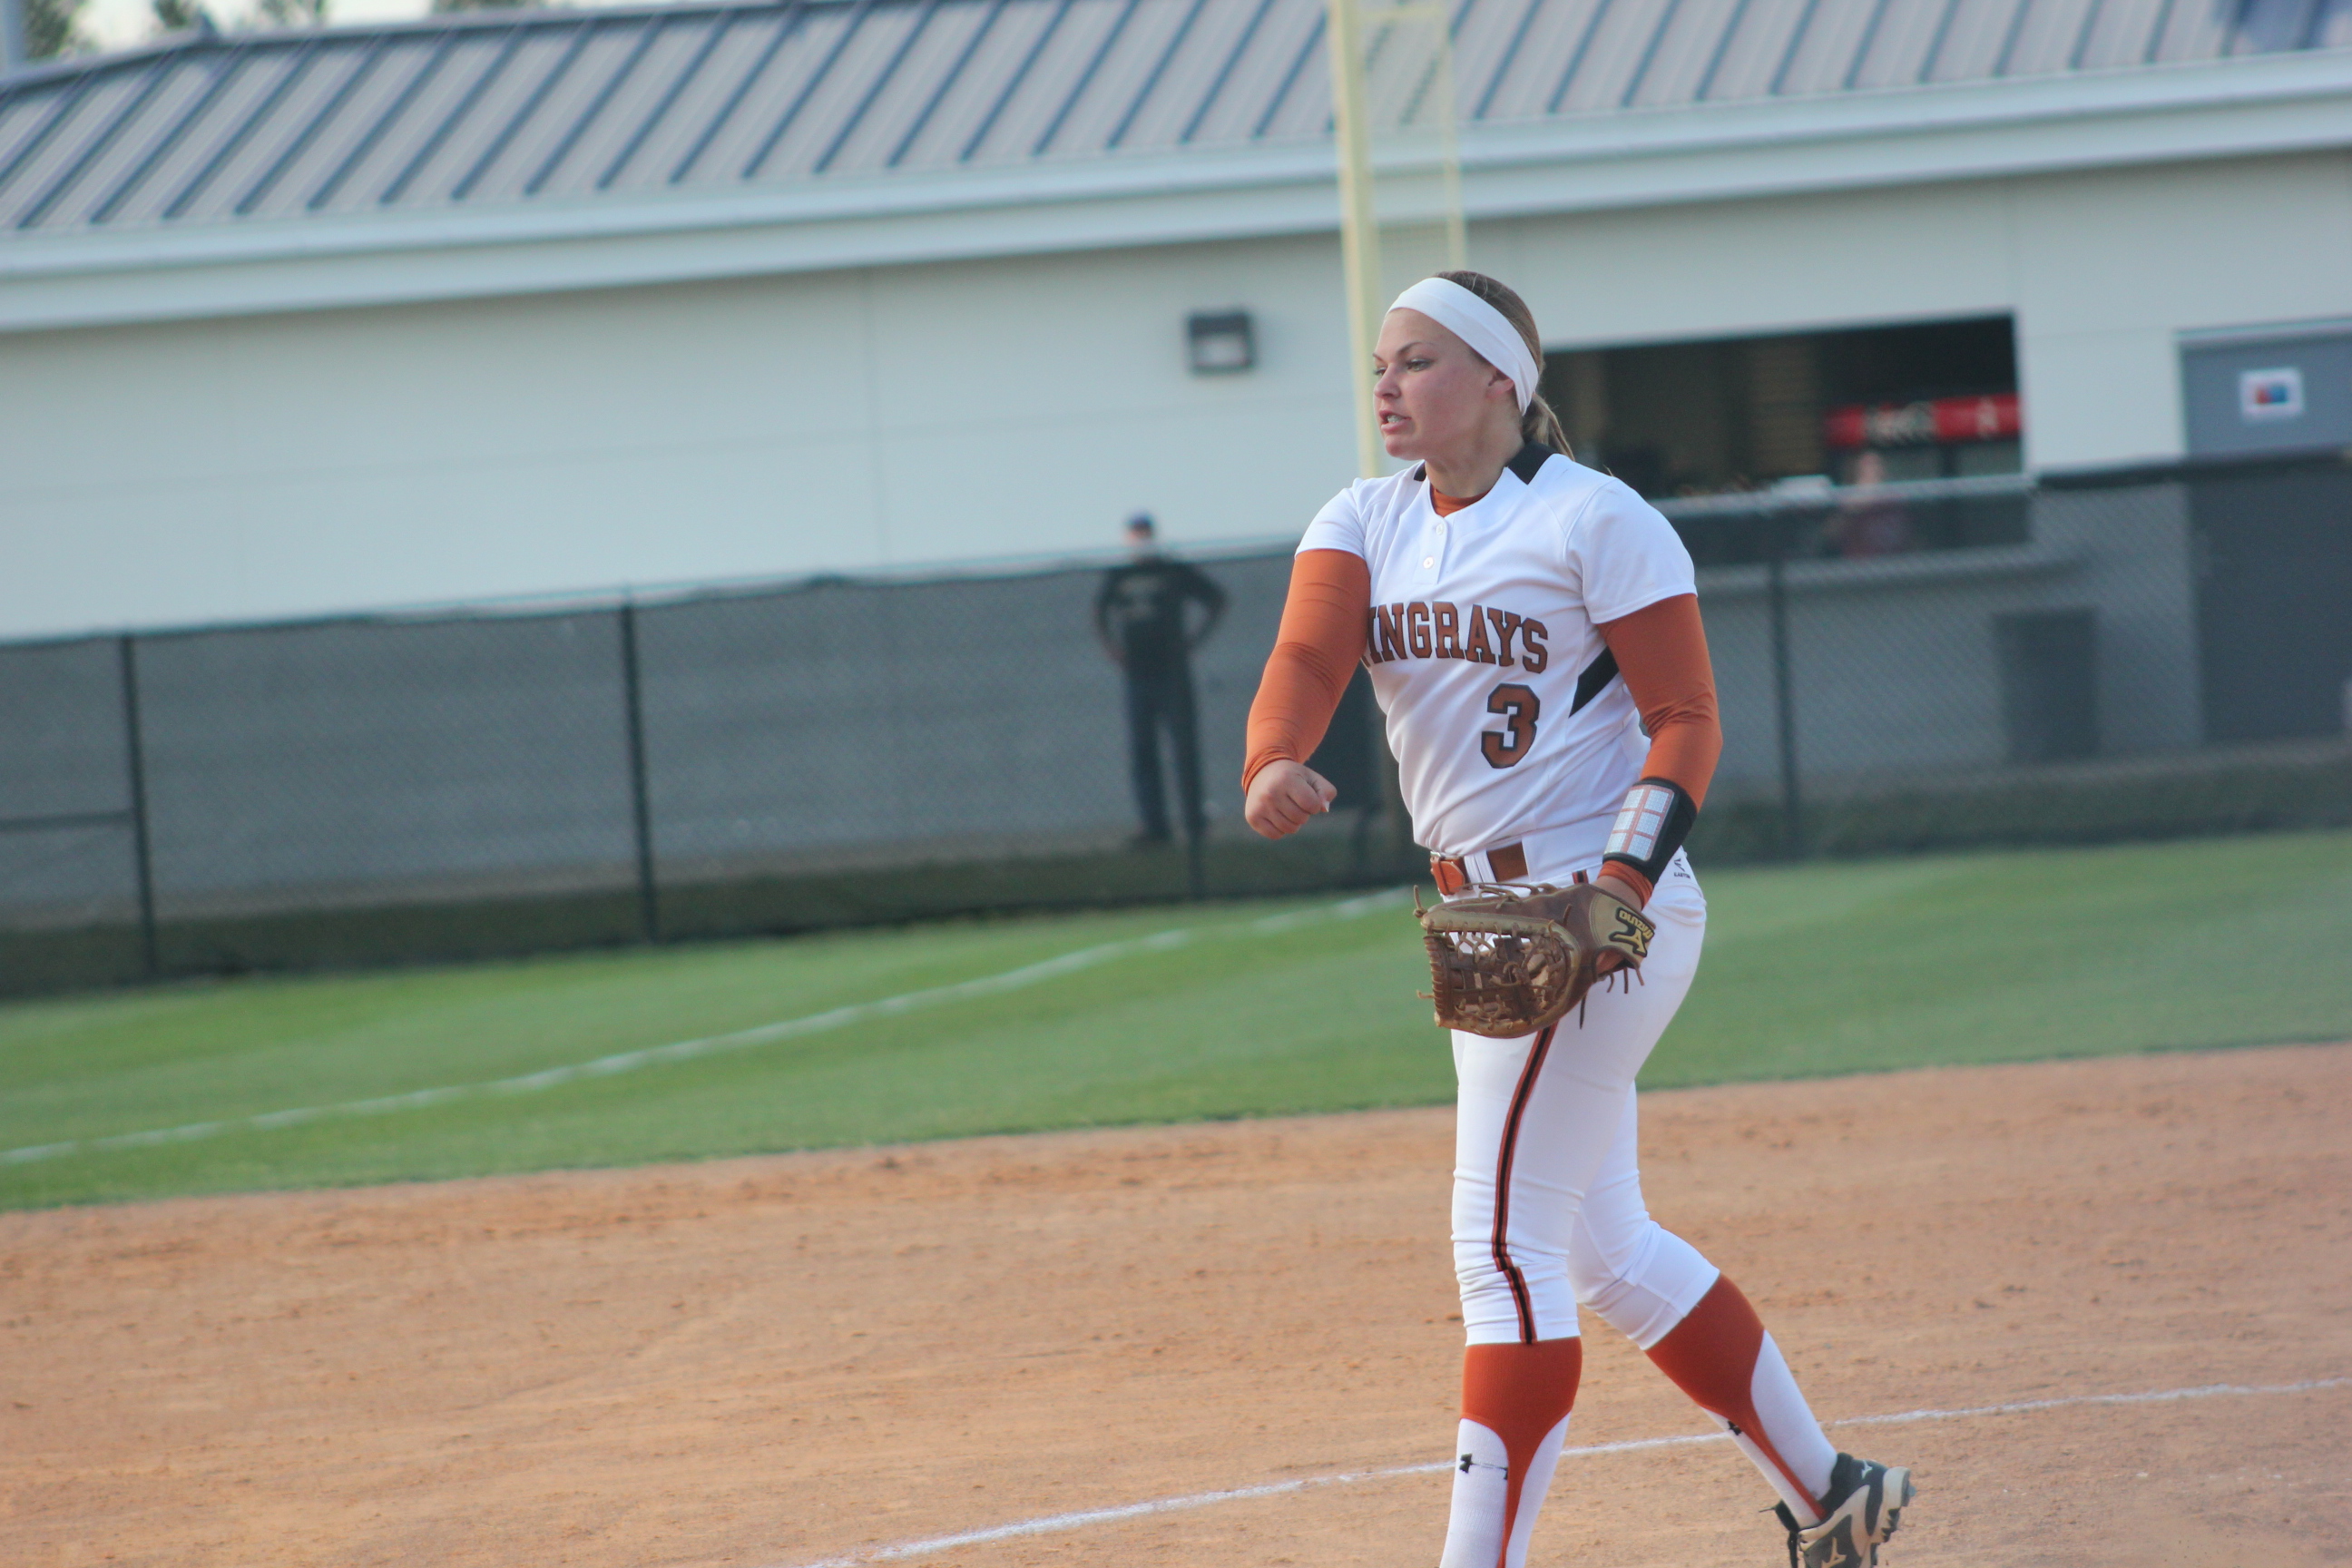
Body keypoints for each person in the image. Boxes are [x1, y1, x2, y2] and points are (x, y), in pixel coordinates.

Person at [1240, 272, 1916, 1568]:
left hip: (1588, 902)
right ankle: (1835, 1494)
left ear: (1502, 378)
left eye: (1418, 360)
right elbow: (1311, 658)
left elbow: (1686, 720)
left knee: (1501, 1253)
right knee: (1606, 1250)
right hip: (1478, 917)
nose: (1387, 385)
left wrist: (1623, 886)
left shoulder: (1595, 517)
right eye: (1381, 363)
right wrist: (1274, 755)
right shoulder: (1364, 517)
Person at [1095, 513, 1226, 846]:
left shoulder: (1173, 570)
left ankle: (1195, 824)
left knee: (1183, 749)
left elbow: (1216, 599)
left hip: (1172, 673)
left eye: (1145, 534)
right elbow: (1100, 612)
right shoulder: (1120, 575)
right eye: (1135, 535)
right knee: (1143, 750)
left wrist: (1193, 640)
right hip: (1137, 675)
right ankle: (1154, 826)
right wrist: (1112, 649)